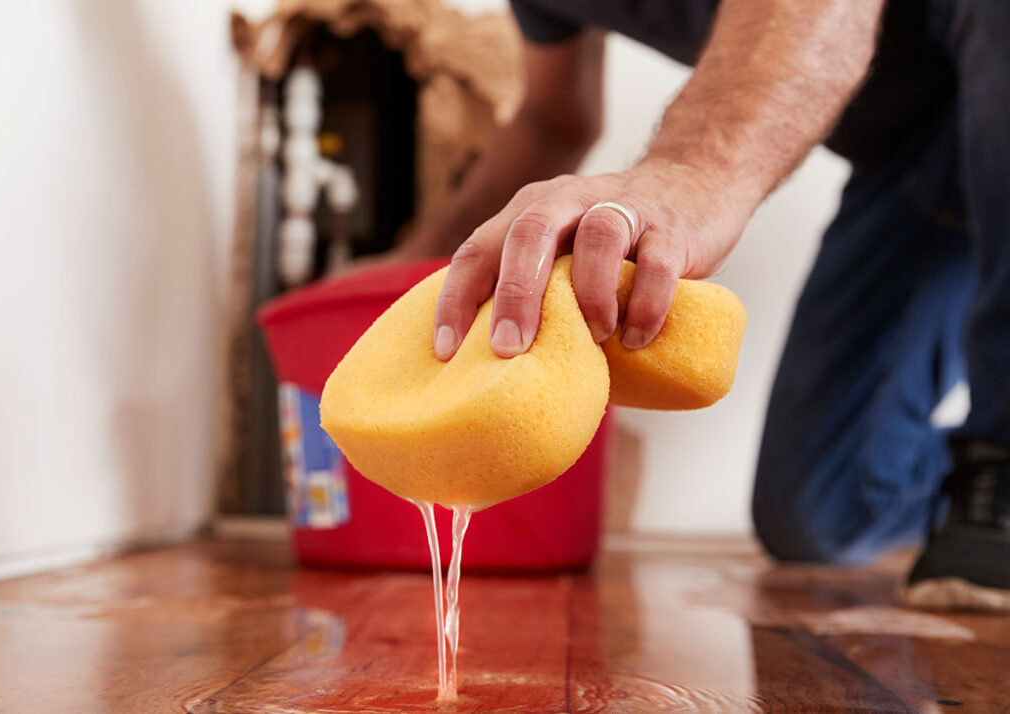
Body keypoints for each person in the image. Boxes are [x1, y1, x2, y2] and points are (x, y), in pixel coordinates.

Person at [384, 0, 1009, 610]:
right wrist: (410, 262)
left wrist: (693, 170)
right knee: (819, 516)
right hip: (918, 156)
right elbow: (553, 121)